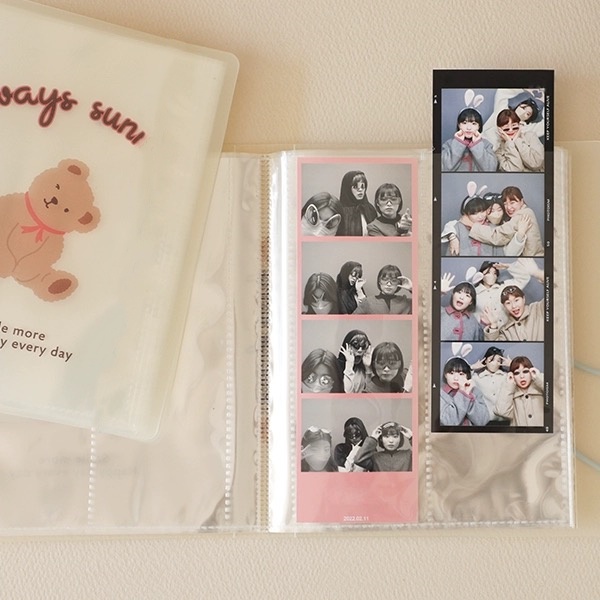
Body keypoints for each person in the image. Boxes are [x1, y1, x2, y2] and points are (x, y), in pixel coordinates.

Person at [465, 186, 544, 257]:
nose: (509, 207)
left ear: (521, 201)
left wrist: (472, 225)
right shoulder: (519, 215)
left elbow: (497, 236)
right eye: (505, 204)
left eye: (512, 203)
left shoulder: (522, 215)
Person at [445, 193, 530, 257]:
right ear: (466, 214)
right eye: (474, 213)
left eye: (482, 211)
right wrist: (452, 236)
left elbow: (504, 253)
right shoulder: (458, 228)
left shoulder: (494, 228)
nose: (480, 216)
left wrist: (520, 234)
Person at [473, 258, 539, 328]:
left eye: (495, 273)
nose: (492, 276)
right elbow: (471, 313)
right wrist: (481, 321)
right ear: (481, 275)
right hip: (489, 330)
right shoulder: (475, 293)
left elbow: (524, 278)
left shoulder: (505, 286)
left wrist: (508, 266)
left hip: (510, 329)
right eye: (488, 272)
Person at [441, 106, 498, 172]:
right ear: (459, 125)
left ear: (479, 126)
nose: (468, 128)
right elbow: (443, 168)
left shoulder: (486, 145)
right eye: (464, 123)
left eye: (474, 124)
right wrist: (459, 143)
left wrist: (476, 144)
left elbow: (491, 169)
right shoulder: (449, 144)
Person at [494, 356, 545, 426]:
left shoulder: (541, 388)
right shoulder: (510, 393)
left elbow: (556, 395)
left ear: (531, 371)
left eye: (525, 371)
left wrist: (538, 377)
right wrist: (508, 385)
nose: (522, 376)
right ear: (513, 375)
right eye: (517, 373)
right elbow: (501, 411)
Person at [440, 357, 490, 426]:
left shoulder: (475, 392)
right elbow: (449, 422)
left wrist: (467, 394)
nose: (456, 378)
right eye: (451, 373)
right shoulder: (440, 394)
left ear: (467, 376)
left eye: (461, 374)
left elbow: (483, 421)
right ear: (445, 375)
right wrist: (462, 394)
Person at [495, 108, 544, 172]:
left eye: (514, 127)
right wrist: (509, 143)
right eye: (506, 129)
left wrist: (517, 140)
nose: (511, 130)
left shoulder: (530, 136)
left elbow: (536, 163)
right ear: (500, 130)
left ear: (519, 125)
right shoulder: (499, 152)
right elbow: (515, 171)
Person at [471, 346, 511, 424]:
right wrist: (472, 367)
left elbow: (522, 377)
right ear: (485, 360)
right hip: (486, 420)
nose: (494, 363)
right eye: (491, 360)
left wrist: (512, 365)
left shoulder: (506, 376)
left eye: (498, 361)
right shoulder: (477, 378)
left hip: (504, 420)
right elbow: (463, 378)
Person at [440, 274, 483, 341]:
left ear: (471, 302)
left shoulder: (473, 322)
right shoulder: (440, 312)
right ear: (453, 294)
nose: (461, 297)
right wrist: (439, 293)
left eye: (467, 295)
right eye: (459, 292)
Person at [335, 170, 377, 236]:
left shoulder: (370, 209)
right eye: (355, 187)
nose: (360, 190)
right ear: (348, 189)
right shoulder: (340, 211)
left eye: (363, 187)